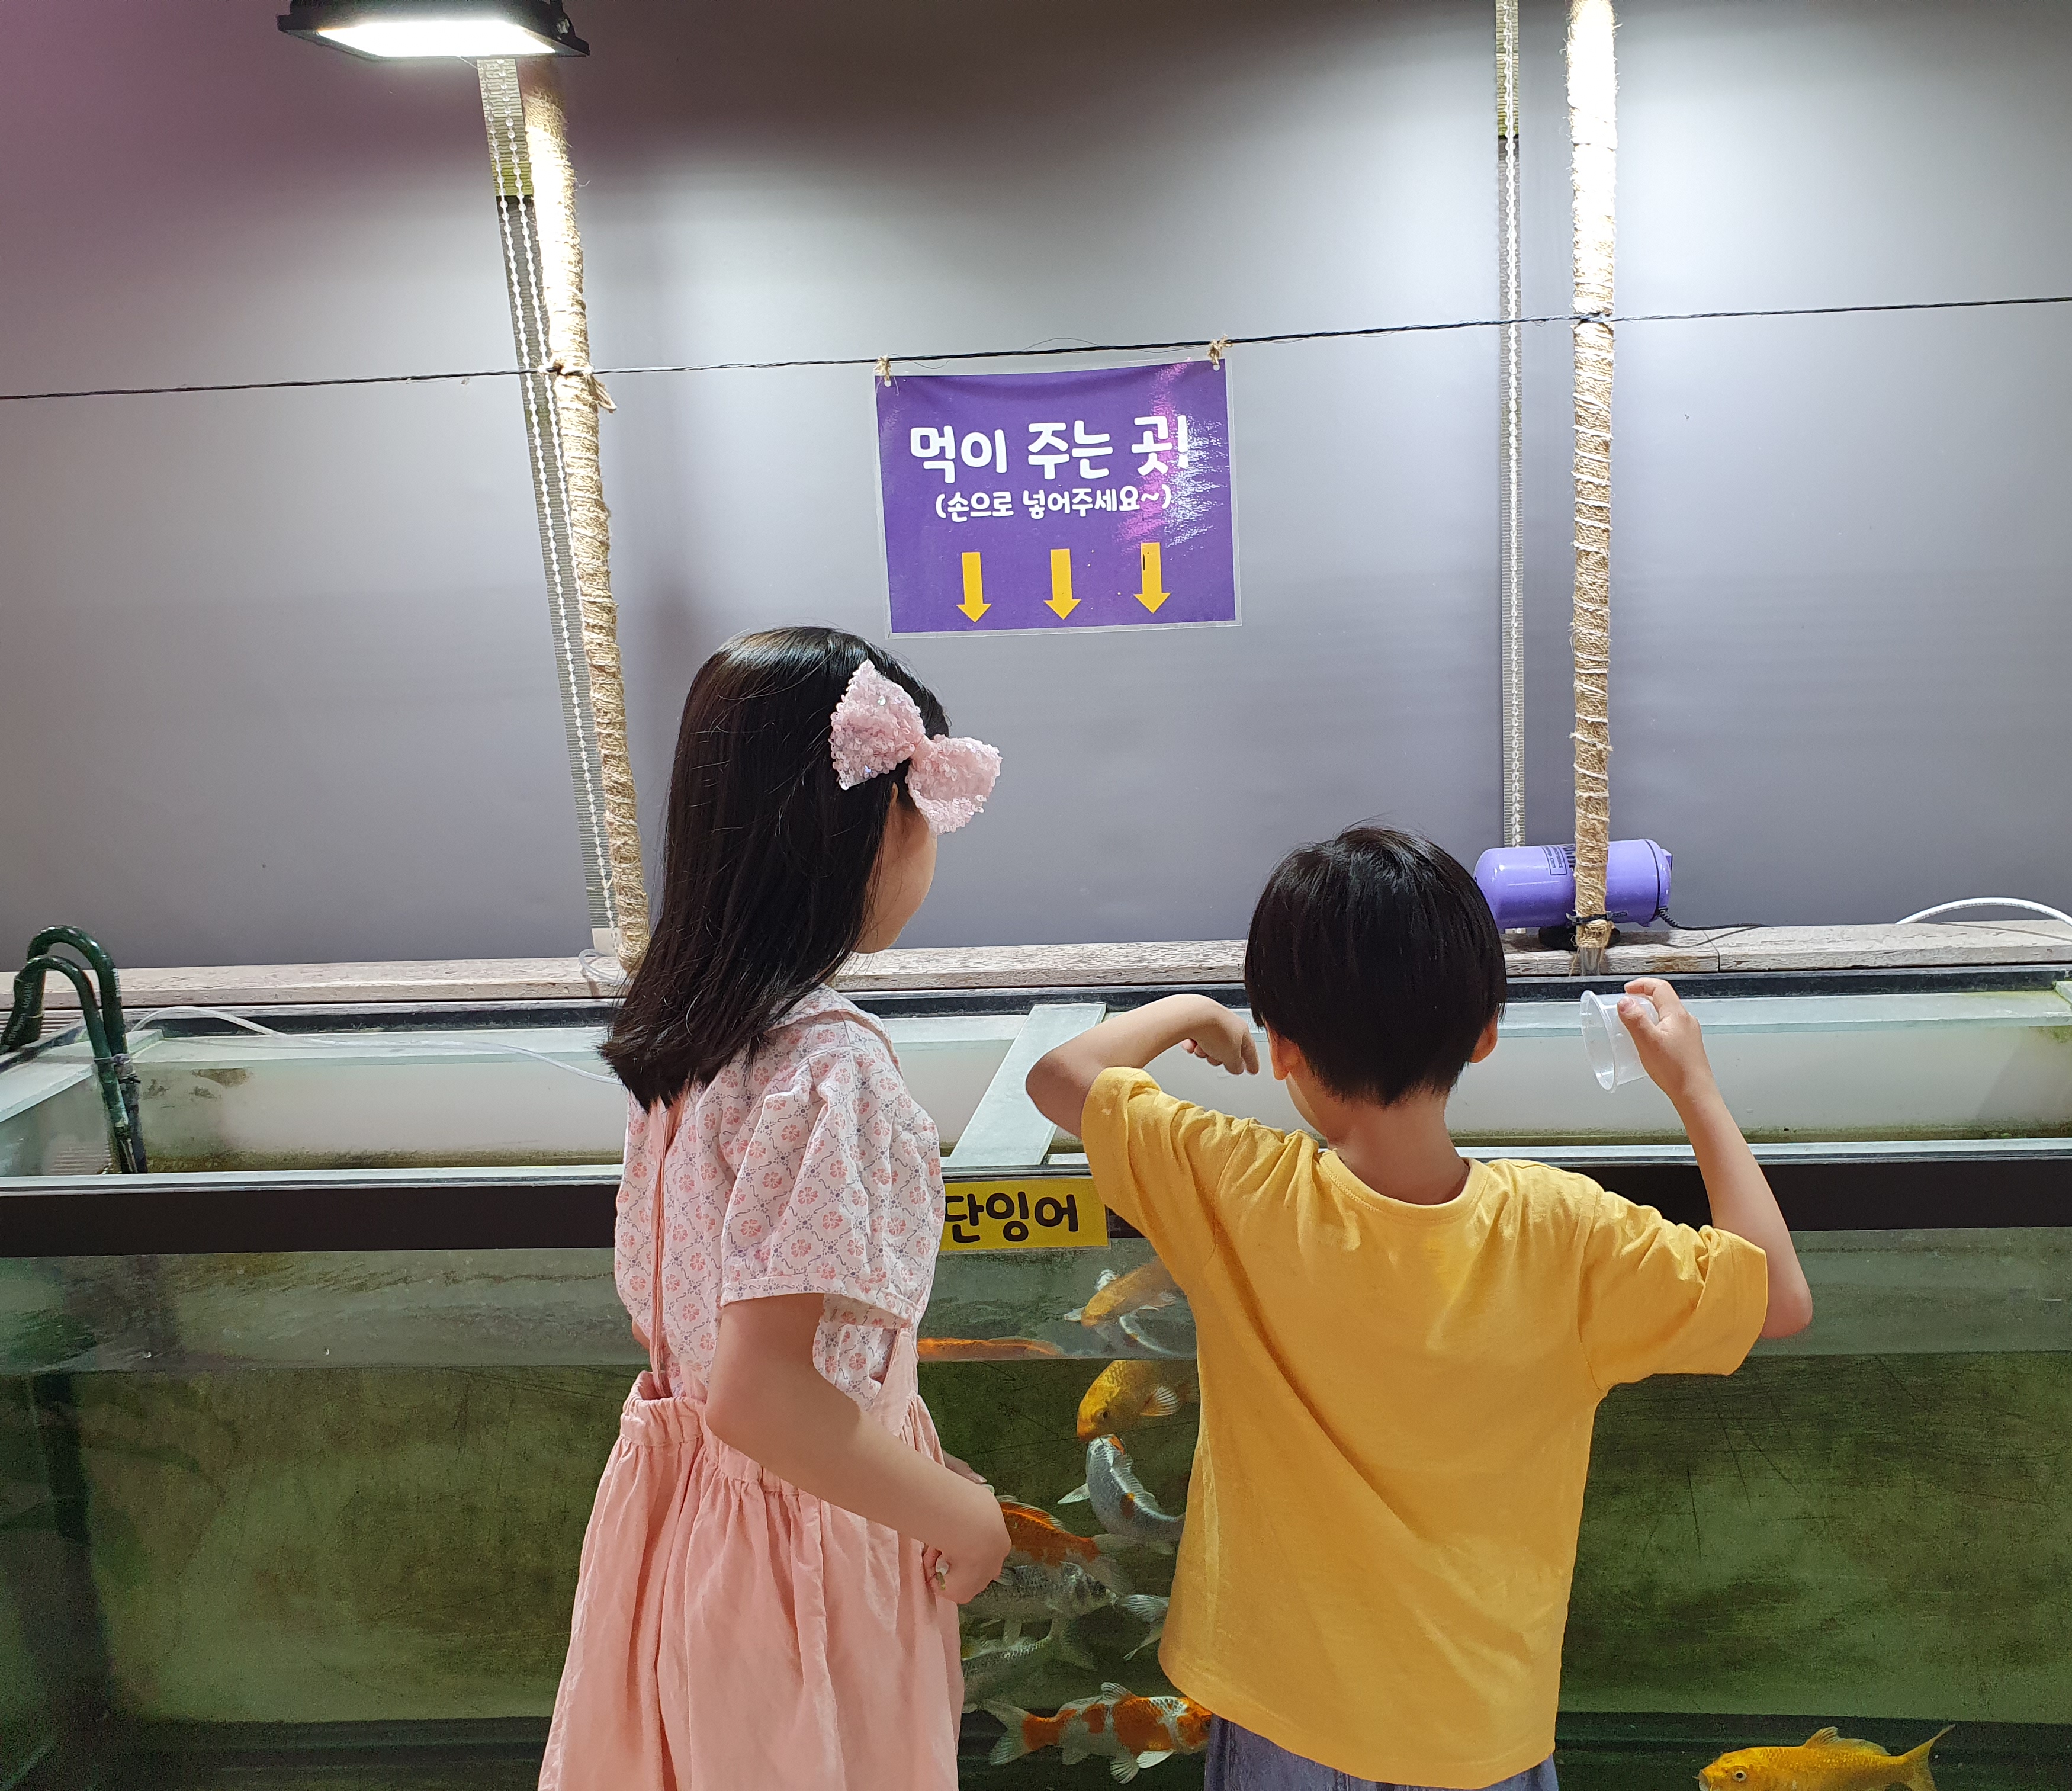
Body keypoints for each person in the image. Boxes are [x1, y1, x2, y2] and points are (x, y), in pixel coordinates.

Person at [1026, 826, 1813, 1791]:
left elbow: (1058, 1078)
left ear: (1284, 1051)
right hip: (1476, 1728)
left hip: (1285, 1712)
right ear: (1485, 1033)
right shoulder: (1567, 1231)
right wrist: (1693, 1085)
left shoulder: (1238, 1187)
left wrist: (1196, 1009)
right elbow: (1777, 1297)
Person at [541, 627, 1011, 1791]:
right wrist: (966, 1517)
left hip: (686, 1520)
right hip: (799, 1542)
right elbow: (766, 1395)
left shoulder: (693, 1044)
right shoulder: (830, 1068)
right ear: (875, 827)